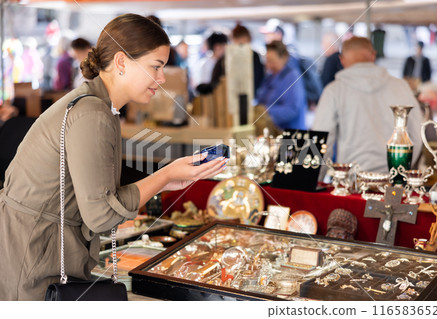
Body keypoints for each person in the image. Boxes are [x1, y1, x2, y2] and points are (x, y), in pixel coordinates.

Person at [0, 13, 227, 300]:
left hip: (30, 247)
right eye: (155, 67)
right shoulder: (93, 113)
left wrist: (163, 181)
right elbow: (102, 215)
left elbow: (96, 192)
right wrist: (165, 175)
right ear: (121, 62)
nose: (161, 78)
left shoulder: (93, 105)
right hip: (34, 258)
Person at [312, 36, 422, 176]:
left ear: (342, 59)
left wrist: (315, 181)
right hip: (393, 182)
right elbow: (417, 135)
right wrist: (401, 171)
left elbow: (322, 141)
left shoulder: (334, 90)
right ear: (373, 55)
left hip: (352, 183)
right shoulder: (400, 86)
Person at [260, 19, 323, 106]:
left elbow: (292, 104)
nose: (266, 38)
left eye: (269, 34)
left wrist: (267, 112)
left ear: (279, 35)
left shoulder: (290, 62)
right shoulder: (274, 72)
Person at [256, 40, 308, 132]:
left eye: (272, 61)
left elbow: (292, 109)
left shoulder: (292, 77)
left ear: (284, 58)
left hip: (290, 135)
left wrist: (267, 111)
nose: (268, 64)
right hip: (271, 132)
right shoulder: (270, 77)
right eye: (267, 60)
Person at [211, 23, 265, 96]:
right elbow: (215, 82)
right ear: (233, 42)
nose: (242, 49)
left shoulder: (255, 57)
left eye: (244, 44)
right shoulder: (224, 59)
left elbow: (259, 80)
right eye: (239, 45)